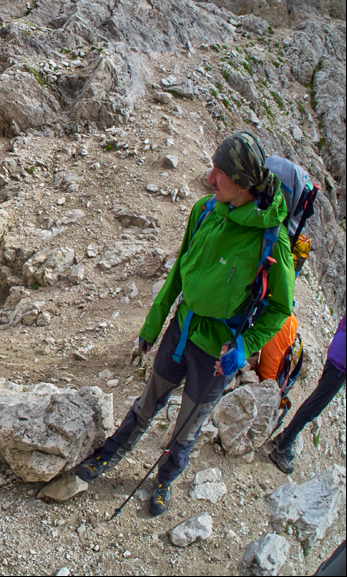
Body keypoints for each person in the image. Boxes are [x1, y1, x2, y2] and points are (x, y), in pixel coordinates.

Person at [74, 132, 294, 516]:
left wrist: (245, 346)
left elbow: (280, 309)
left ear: (241, 183)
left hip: (217, 351)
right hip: (181, 330)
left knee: (188, 428)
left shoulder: (271, 242)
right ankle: (109, 454)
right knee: (147, 403)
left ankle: (164, 481)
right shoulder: (204, 211)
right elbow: (179, 272)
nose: (210, 178)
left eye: (219, 173)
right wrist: (152, 324)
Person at [269, 312, 346, 474]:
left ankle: (284, 438)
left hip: (339, 356)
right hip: (340, 363)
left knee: (315, 405)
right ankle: (282, 447)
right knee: (314, 407)